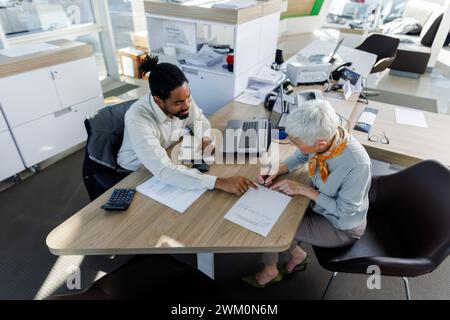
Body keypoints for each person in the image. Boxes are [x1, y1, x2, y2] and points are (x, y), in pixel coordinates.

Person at [243, 99, 371, 287]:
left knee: (270, 226)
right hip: (318, 206)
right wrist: (279, 169)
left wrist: (304, 190)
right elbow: (304, 154)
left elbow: (344, 212)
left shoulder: (358, 164)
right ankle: (298, 254)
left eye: (295, 142)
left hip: (341, 226)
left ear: (319, 143)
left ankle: (270, 271)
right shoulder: (329, 140)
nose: (293, 145)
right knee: (275, 211)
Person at [117, 55, 256, 196]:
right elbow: (164, 170)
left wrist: (205, 139)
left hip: (167, 152)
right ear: (158, 101)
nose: (187, 105)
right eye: (178, 103)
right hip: (136, 171)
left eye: (188, 97)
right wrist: (220, 182)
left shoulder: (181, 96)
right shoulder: (138, 118)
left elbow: (198, 120)